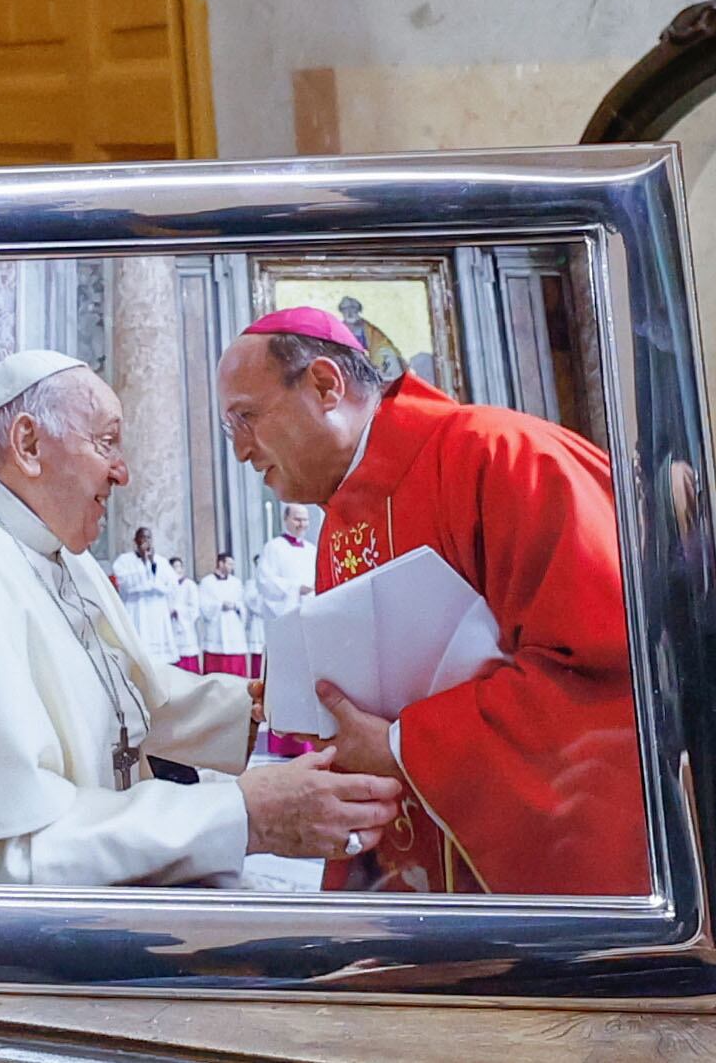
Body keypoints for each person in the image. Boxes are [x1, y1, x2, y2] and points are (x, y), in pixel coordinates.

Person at [0, 354, 398, 887]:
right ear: (28, 443)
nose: (122, 473)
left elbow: (118, 695)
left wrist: (252, 705)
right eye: (106, 443)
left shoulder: (57, 554)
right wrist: (245, 815)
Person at [218, 309, 641, 898]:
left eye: (246, 417)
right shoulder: (341, 520)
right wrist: (315, 704)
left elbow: (610, 675)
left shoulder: (502, 456)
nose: (239, 450)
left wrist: (400, 746)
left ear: (323, 385)